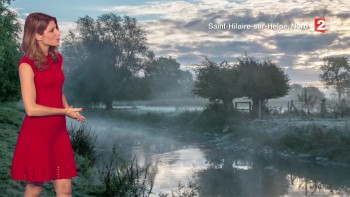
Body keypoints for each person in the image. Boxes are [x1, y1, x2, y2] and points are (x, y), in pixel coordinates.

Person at [10, 12, 86, 197]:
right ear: (38, 34)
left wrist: (68, 109)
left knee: (65, 190)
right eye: (52, 30)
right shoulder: (26, 64)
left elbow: (57, 90)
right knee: (35, 188)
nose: (59, 33)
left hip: (58, 132)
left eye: (57, 28)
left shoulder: (57, 60)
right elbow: (31, 108)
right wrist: (64, 111)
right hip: (37, 134)